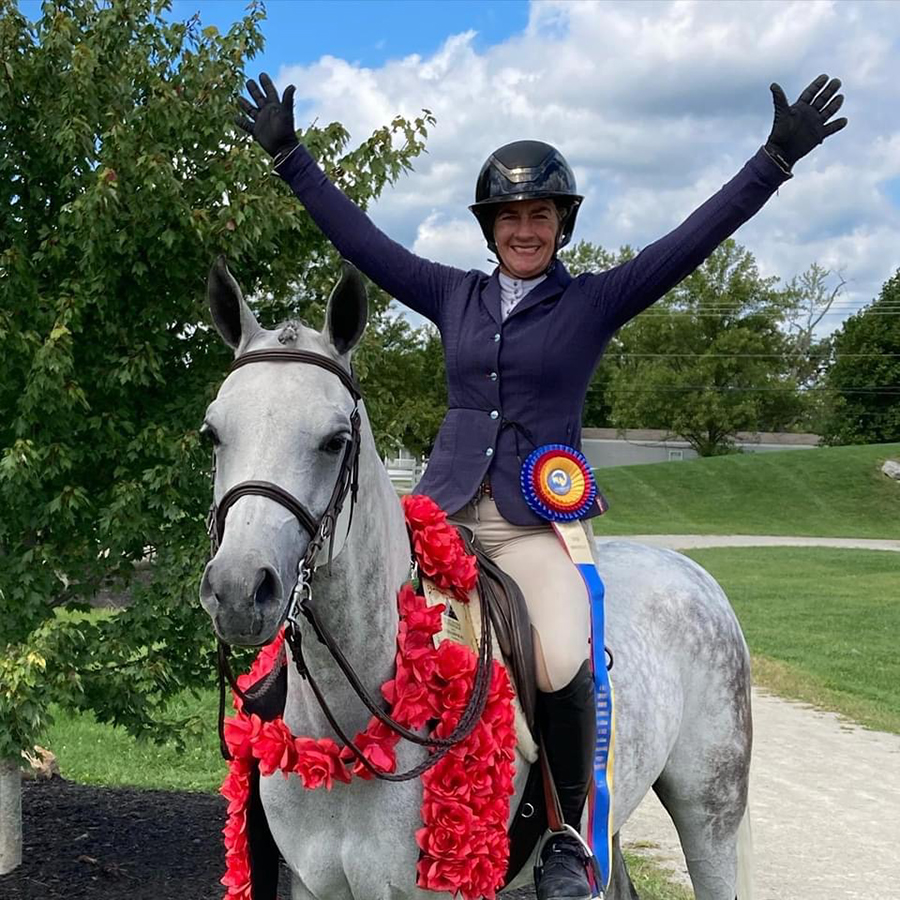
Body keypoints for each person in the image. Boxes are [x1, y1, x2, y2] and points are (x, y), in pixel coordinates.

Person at [235, 73, 846, 900]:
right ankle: (277, 831)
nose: (525, 230)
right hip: (437, 520)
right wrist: (290, 157)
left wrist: (774, 160)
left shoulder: (593, 303)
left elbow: (688, 243)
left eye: (541, 216)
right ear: (490, 229)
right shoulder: (454, 294)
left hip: (531, 528)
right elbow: (366, 243)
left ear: (562, 225)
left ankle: (563, 840)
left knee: (559, 657)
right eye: (511, 218)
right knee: (303, 640)